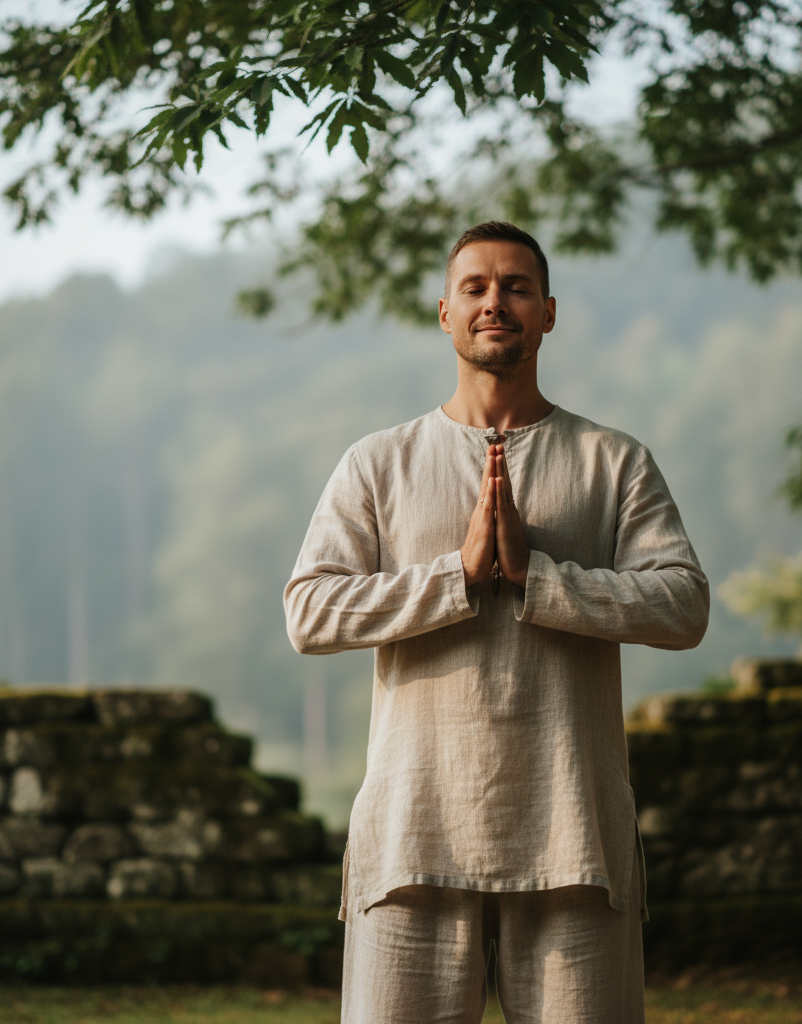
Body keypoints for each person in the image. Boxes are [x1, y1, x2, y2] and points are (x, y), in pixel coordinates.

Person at [283, 221, 709, 1023]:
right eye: (475, 287)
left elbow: (685, 605)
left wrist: (538, 576)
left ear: (549, 313)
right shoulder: (380, 462)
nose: (494, 302)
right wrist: (458, 575)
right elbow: (309, 611)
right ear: (443, 312)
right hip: (412, 837)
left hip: (572, 838)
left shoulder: (613, 461)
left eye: (516, 286)